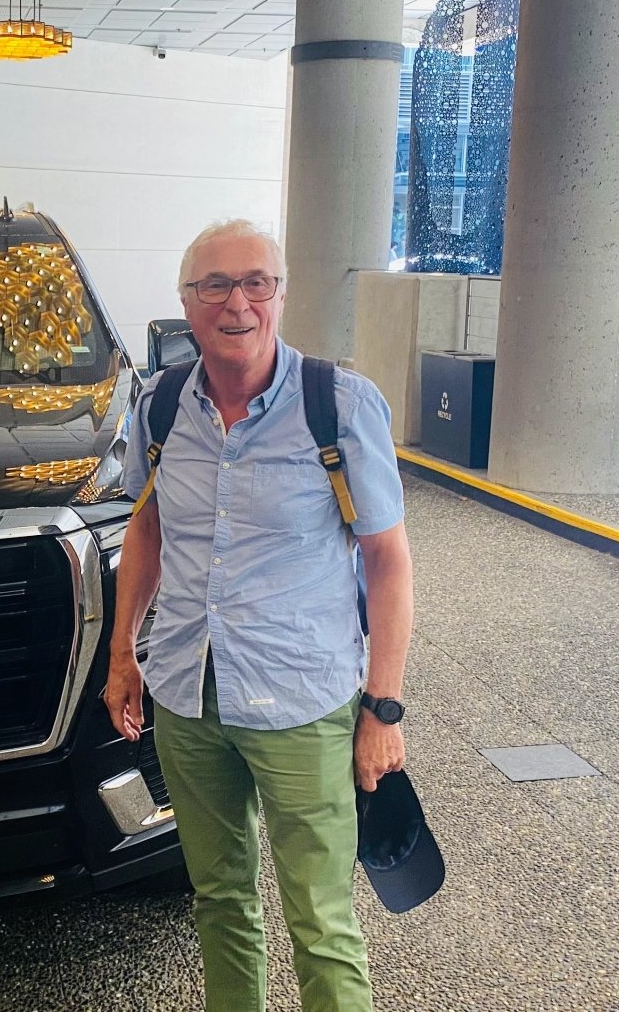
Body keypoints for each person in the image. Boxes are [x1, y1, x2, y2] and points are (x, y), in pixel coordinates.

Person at [104, 220, 414, 1012]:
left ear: (280, 294)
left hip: (302, 701)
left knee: (321, 920)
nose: (236, 302)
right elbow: (147, 528)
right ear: (186, 303)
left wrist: (383, 708)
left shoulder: (337, 405)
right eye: (214, 284)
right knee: (220, 898)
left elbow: (388, 560)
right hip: (187, 696)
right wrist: (122, 653)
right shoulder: (160, 404)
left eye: (255, 282)